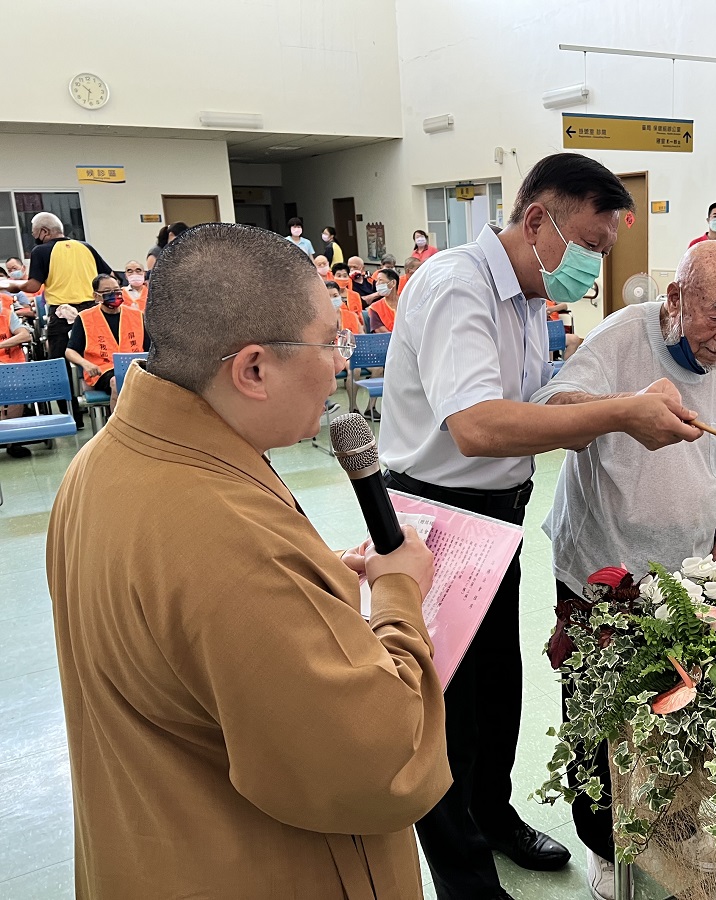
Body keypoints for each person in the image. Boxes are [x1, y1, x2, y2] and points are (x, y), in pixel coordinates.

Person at [46, 222, 450, 899]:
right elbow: (385, 767)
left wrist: (309, 583)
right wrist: (399, 597)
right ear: (254, 368)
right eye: (329, 343)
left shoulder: (105, 465)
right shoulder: (228, 534)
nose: (342, 363)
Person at [378, 151, 701, 900]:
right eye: (587, 245)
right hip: (436, 513)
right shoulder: (459, 284)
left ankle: (493, 814)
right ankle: (463, 874)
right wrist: (619, 412)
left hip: (497, 515)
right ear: (535, 219)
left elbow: (534, 407)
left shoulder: (527, 300)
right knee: (443, 706)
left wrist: (607, 387)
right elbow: (478, 428)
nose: (592, 265)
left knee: (497, 686)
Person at [534, 239, 716, 898]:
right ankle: (604, 845)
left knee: (679, 704)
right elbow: (553, 417)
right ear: (675, 299)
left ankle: (674, 823)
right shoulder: (622, 339)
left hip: (685, 573)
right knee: (598, 715)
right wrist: (625, 412)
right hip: (601, 569)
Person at [0, 211, 115, 426]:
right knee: (99, 358)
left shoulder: (41, 250)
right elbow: (109, 277)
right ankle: (110, 410)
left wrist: (8, 285)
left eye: (34, 233)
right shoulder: (86, 247)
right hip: (92, 313)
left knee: (60, 364)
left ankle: (73, 417)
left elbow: (33, 286)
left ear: (43, 232)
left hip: (61, 314)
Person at [63, 274, 147, 410]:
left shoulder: (137, 316)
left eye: (116, 290)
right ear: (96, 296)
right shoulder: (85, 318)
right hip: (103, 369)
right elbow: (70, 350)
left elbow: (150, 348)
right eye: (107, 292)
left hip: (136, 366)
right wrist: (86, 364)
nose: (114, 294)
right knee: (117, 381)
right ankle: (118, 428)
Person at [0, 303, 33, 456]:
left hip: (11, 368)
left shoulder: (6, 315)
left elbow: (25, 335)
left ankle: (13, 441)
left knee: (17, 387)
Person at [366, 268, 400, 333]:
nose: (377, 284)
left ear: (393, 283)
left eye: (380, 280)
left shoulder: (406, 303)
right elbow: (380, 330)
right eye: (377, 281)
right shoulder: (375, 308)